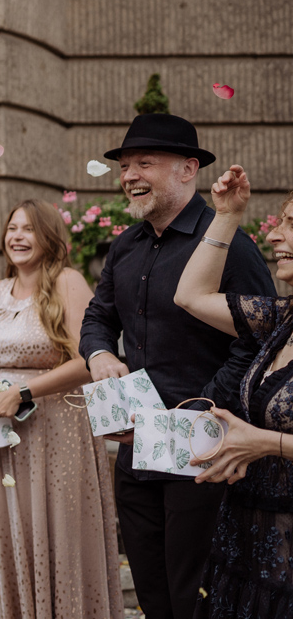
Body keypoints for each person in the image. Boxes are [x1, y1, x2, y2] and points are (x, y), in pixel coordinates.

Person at [79, 114, 275, 619]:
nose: (129, 175)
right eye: (124, 166)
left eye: (145, 162)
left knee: (196, 595)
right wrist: (100, 354)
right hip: (136, 450)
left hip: (204, 451)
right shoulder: (125, 245)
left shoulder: (229, 243)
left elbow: (259, 342)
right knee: (152, 593)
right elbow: (98, 316)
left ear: (188, 169)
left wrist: (198, 411)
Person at [0, 199, 122, 619]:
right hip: (11, 434)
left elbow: (89, 360)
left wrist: (25, 391)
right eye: (12, 228)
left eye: (28, 229)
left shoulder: (68, 282)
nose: (17, 236)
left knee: (63, 530)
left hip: (61, 426)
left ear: (48, 236)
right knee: (19, 531)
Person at [173, 167, 293, 618]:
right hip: (249, 532)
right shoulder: (279, 319)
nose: (274, 234)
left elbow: (264, 437)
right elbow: (190, 294)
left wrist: (264, 442)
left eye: (290, 224)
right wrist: (226, 215)